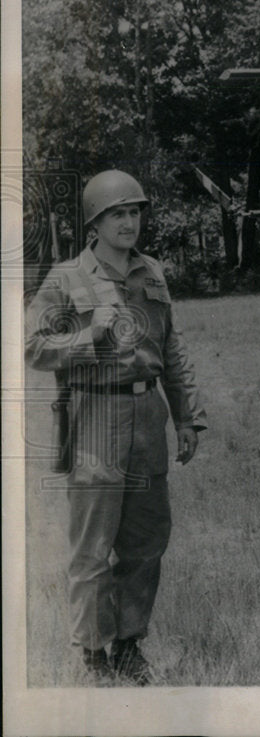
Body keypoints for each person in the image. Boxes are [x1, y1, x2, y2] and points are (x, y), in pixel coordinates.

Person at [25, 169, 207, 684]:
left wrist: (188, 416)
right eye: (117, 214)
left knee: (146, 542)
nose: (130, 222)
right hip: (96, 418)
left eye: (135, 212)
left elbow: (171, 349)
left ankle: (129, 645)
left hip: (148, 417)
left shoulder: (152, 272)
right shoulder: (67, 278)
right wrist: (88, 337)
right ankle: (93, 653)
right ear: (95, 223)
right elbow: (32, 348)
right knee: (92, 547)